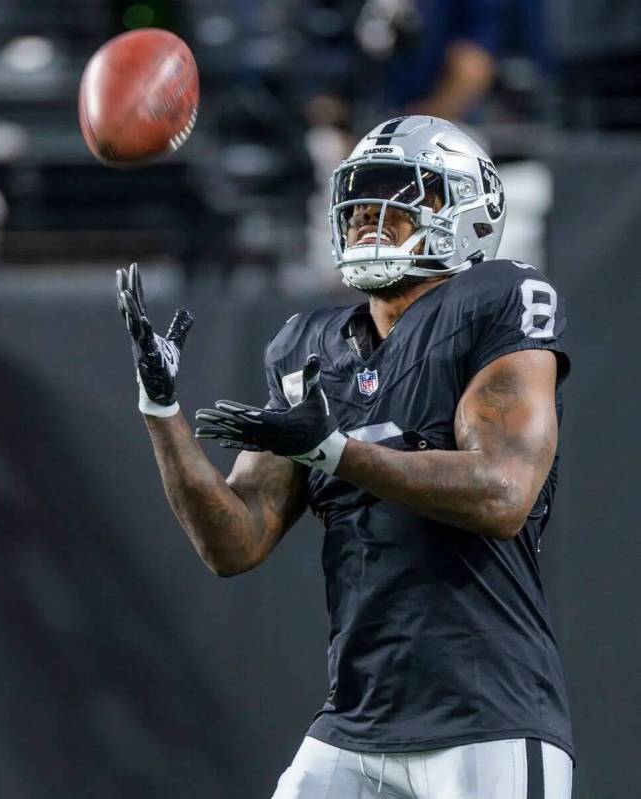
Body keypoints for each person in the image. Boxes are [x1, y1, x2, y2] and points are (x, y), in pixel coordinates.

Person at [117, 116, 574, 798]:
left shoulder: (499, 298)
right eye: (358, 202)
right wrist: (161, 410)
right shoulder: (310, 345)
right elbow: (233, 541)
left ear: (467, 210)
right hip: (356, 721)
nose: (367, 217)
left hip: (488, 716)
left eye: (396, 194)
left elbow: (502, 492)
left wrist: (333, 449)